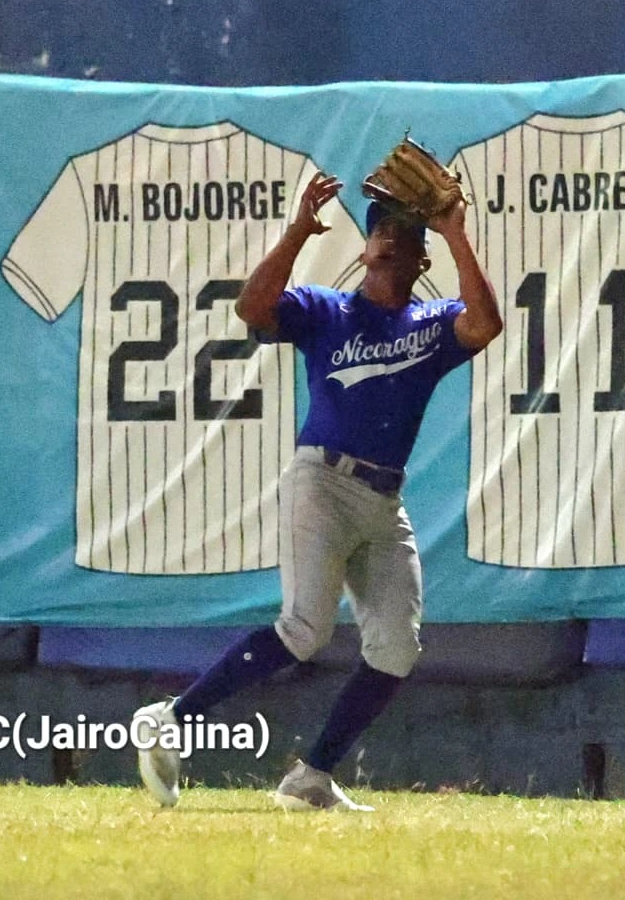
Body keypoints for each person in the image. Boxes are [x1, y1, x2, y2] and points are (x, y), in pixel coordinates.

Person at [133, 170, 502, 811]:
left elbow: (486, 325)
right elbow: (253, 309)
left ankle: (311, 779)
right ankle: (171, 718)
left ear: (422, 259)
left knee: (396, 647)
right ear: (365, 248)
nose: (391, 238)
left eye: (406, 234)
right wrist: (298, 232)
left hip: (384, 503)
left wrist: (455, 234)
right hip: (323, 482)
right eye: (382, 230)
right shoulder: (326, 310)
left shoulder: (435, 321)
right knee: (304, 629)